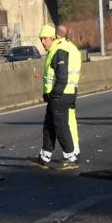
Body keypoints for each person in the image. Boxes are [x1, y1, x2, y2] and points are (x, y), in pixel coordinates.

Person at [29, 24, 81, 170]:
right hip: (57, 96)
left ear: (53, 38)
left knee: (60, 127)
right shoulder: (53, 51)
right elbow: (51, 76)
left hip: (61, 96)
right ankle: (44, 157)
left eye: (45, 38)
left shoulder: (59, 51)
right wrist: (48, 94)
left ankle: (71, 158)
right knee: (49, 127)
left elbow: (62, 77)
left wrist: (55, 95)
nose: (42, 42)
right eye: (41, 39)